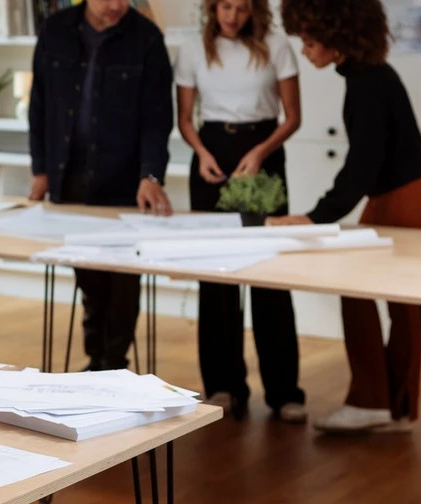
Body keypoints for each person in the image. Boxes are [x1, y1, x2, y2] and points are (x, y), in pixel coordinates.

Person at [276, 0, 421, 433]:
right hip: (403, 194)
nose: (306, 50)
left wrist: (316, 217)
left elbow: (362, 165)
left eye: (310, 41)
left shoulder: (368, 83)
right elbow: (367, 165)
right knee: (397, 301)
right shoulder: (369, 77)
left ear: (338, 37)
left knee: (364, 287)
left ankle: (375, 403)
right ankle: (394, 407)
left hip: (404, 197)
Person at [176, 0, 305, 422]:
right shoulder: (193, 47)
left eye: (242, 8)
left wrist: (260, 152)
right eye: (225, 7)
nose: (232, 16)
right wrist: (200, 153)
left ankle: (285, 392)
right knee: (217, 278)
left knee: (268, 274)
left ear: (255, 11)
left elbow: (293, 117)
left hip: (263, 154)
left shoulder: (277, 45)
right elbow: (186, 119)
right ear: (212, 8)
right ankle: (223, 385)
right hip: (213, 155)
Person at [28, 0, 174, 371]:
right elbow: (39, 104)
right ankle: (96, 359)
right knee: (89, 275)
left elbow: (158, 117)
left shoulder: (147, 38)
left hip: (125, 179)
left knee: (123, 280)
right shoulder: (55, 30)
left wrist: (151, 174)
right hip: (69, 174)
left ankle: (113, 362)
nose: (115, 6)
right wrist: (41, 170)